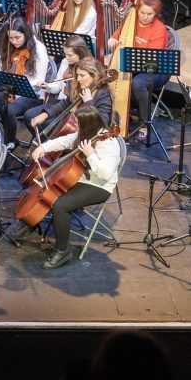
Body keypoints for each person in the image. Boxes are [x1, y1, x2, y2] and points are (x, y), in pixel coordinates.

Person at [28, 105, 121, 269]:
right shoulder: (87, 134)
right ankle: (31, 224)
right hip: (82, 179)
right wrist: (43, 148)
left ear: (87, 123)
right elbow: (65, 140)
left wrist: (90, 154)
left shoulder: (108, 143)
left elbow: (106, 174)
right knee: (49, 190)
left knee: (60, 205)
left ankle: (62, 251)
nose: (76, 126)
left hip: (99, 186)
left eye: (78, 123)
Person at [105, 0, 170, 143]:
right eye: (142, 12)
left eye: (150, 14)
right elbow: (116, 36)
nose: (145, 17)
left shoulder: (159, 29)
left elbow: (150, 60)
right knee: (108, 76)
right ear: (136, 10)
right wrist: (112, 40)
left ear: (156, 14)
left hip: (155, 69)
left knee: (138, 83)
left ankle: (144, 124)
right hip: (133, 66)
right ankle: (121, 114)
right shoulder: (131, 21)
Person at [0, 17, 50, 147]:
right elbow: (2, 70)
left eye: (17, 38)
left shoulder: (38, 49)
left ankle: (10, 143)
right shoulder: (9, 46)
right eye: (10, 38)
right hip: (9, 90)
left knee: (7, 110)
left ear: (25, 34)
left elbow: (39, 79)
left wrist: (18, 83)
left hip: (31, 94)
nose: (13, 41)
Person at [26, 57, 112, 134]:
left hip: (89, 136)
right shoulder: (83, 88)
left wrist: (88, 102)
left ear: (95, 76)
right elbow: (65, 103)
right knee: (41, 121)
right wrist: (45, 114)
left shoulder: (103, 95)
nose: (78, 79)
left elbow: (101, 125)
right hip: (77, 131)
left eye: (82, 75)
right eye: (77, 75)